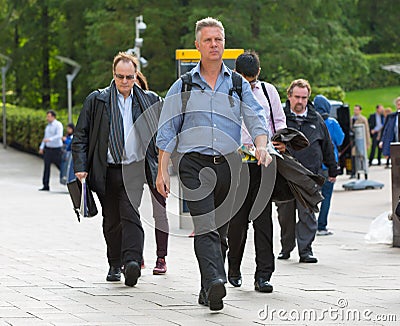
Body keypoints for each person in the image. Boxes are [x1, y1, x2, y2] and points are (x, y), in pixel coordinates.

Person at [156, 17, 271, 311]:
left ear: (224, 44)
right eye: (207, 40)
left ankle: (208, 287)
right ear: (198, 46)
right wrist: (162, 171)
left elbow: (256, 116)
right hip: (193, 165)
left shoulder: (236, 83)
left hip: (229, 166)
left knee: (221, 231)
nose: (214, 45)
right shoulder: (183, 85)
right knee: (205, 226)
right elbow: (167, 129)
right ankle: (217, 279)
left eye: (218, 40)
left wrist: (261, 144)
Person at [72, 52, 162, 287]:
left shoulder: (149, 100)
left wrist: (161, 168)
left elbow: (162, 135)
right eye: (120, 76)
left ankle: (131, 262)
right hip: (106, 169)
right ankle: (114, 262)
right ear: (113, 75)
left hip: (133, 168)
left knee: (131, 214)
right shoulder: (97, 100)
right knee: (112, 219)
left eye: (130, 77)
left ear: (136, 76)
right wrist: (80, 167)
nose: (125, 81)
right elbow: (80, 135)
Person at [227, 51, 286, 293]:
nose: (249, 85)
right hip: (237, 164)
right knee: (237, 222)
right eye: (244, 80)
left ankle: (263, 275)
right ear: (235, 73)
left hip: (264, 162)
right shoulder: (227, 92)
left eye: (252, 81)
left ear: (258, 74)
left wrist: (281, 140)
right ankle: (233, 268)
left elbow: (279, 121)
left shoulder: (269, 92)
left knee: (263, 221)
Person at [276, 79, 337, 263]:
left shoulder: (316, 119)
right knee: (285, 216)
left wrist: (332, 168)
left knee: (308, 214)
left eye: (304, 97)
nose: (300, 101)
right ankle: (286, 246)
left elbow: (327, 145)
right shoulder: (281, 117)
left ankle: (306, 250)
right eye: (297, 97)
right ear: (289, 96)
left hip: (309, 175)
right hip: (285, 175)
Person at [135, 70, 168, 275]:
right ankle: (136, 255)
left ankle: (161, 257)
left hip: (153, 162)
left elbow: (166, 134)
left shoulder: (155, 103)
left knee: (160, 212)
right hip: (130, 165)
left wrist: (163, 169)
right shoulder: (119, 106)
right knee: (129, 210)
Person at [314, 95, 344, 236]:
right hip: (328, 167)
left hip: (313, 166)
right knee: (326, 197)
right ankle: (321, 226)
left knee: (310, 197)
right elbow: (340, 139)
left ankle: (308, 225)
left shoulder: (311, 121)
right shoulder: (332, 123)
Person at [38, 110, 63, 191]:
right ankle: (45, 185)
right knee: (46, 167)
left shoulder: (58, 125)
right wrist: (42, 147)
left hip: (56, 149)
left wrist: (50, 139)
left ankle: (68, 180)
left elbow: (59, 135)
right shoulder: (48, 126)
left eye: (48, 116)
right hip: (48, 149)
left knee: (60, 166)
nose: (47, 118)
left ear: (53, 117)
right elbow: (45, 137)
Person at [350, 104, 370, 178]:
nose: (355, 111)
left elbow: (366, 131)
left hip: (361, 141)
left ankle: (364, 170)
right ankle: (354, 172)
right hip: (354, 141)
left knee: (362, 156)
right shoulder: (351, 118)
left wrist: (367, 143)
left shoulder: (363, 119)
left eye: (357, 110)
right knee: (354, 155)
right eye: (354, 110)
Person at [380, 97, 400, 167]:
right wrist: (382, 141)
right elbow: (386, 130)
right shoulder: (392, 117)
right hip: (395, 142)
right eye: (398, 104)